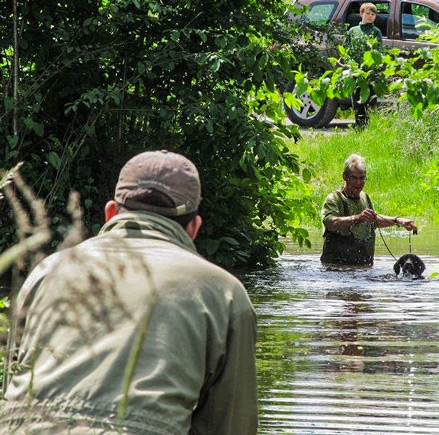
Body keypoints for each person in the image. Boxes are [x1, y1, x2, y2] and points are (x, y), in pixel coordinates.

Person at [0, 151, 257, 434]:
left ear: (110, 212)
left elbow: (13, 385)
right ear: (194, 228)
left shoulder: (47, 271)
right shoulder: (224, 293)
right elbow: (231, 424)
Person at [321, 154, 418, 266]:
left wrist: (398, 221)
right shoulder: (334, 199)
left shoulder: (365, 198)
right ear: (344, 177)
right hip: (336, 269)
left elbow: (373, 220)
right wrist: (357, 218)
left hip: (364, 268)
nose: (358, 183)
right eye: (354, 178)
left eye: (362, 178)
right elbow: (330, 223)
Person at [345, 3, 383, 128]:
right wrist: (351, 65)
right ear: (361, 14)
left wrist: (375, 71)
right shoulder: (352, 31)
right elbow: (346, 50)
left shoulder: (376, 32)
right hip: (356, 73)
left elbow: (378, 52)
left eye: (373, 14)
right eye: (367, 13)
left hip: (370, 74)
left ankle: (369, 128)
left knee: (370, 102)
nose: (370, 16)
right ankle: (358, 127)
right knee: (357, 101)